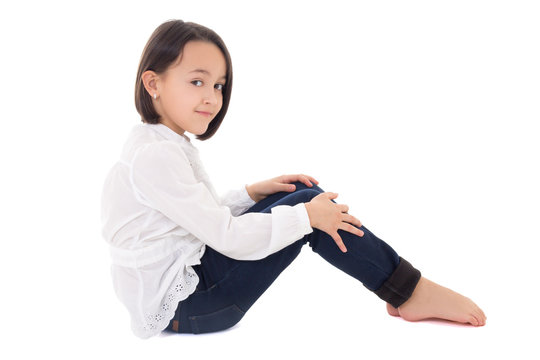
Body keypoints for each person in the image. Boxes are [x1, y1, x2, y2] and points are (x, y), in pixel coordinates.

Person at [101, 19, 486, 339]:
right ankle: (407, 290)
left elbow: (196, 217)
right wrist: (306, 219)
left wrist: (252, 193)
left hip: (195, 290)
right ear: (153, 84)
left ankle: (397, 287)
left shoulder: (158, 144)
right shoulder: (155, 155)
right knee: (309, 211)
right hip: (193, 306)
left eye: (218, 85)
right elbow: (225, 236)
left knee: (303, 194)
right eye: (197, 82)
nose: (213, 98)